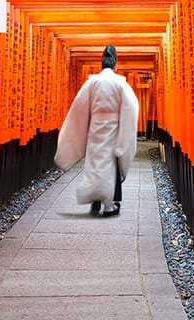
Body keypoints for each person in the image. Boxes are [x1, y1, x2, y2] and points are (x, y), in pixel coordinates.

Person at [54, 45, 139, 216]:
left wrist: (81, 128)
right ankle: (108, 206)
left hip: (95, 127)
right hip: (114, 127)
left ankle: (95, 201)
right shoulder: (120, 83)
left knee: (94, 164)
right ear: (115, 65)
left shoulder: (92, 82)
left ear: (101, 64)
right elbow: (131, 107)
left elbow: (79, 107)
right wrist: (125, 130)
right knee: (110, 164)